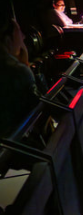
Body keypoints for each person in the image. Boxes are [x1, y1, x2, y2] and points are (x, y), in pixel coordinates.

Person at [1, 9, 40, 137]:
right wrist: (25, 65)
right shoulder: (17, 71)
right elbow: (37, 111)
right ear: (8, 40)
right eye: (19, 33)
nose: (23, 37)